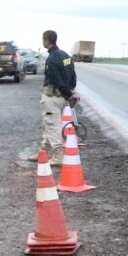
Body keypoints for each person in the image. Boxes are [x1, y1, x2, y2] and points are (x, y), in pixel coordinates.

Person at [28, 29, 80, 166]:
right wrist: (70, 92)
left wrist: (68, 95)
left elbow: (56, 80)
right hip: (64, 97)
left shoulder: (51, 59)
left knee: (52, 126)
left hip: (53, 98)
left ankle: (58, 157)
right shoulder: (66, 56)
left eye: (43, 39)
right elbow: (73, 76)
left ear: (46, 40)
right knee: (47, 125)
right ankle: (43, 153)